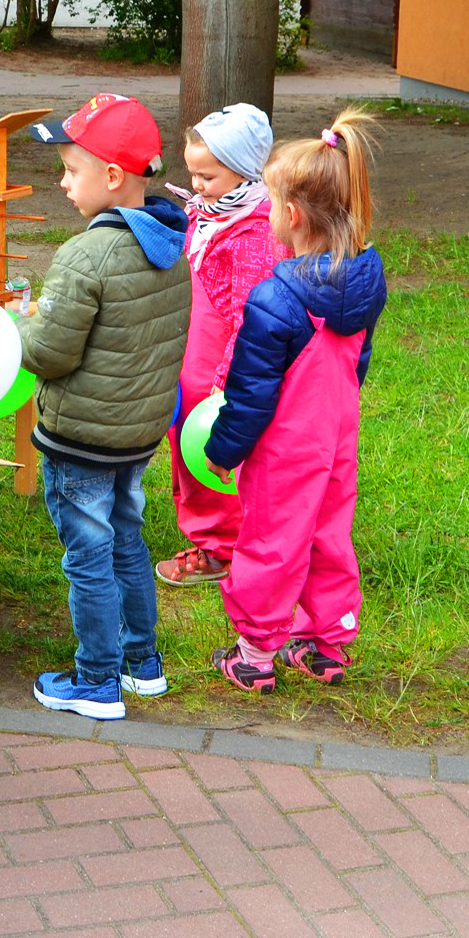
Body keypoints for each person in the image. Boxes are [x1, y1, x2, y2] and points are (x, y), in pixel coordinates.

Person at [12, 94, 190, 720]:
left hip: (83, 437)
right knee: (127, 542)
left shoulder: (86, 255)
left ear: (112, 177)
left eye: (70, 170)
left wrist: (18, 325)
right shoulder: (172, 241)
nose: (62, 183)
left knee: (87, 554)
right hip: (136, 433)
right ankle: (144, 665)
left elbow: (51, 355)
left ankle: (95, 682)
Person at [203, 108, 387, 694]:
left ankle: (256, 652)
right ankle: (326, 644)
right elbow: (356, 362)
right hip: (338, 437)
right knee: (331, 534)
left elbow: (250, 394)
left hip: (284, 450)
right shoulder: (366, 276)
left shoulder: (275, 298)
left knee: (271, 540)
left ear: (290, 215)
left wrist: (224, 450)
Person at [158, 103, 290, 589]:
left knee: (212, 452)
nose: (196, 186)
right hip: (189, 360)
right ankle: (206, 531)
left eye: (207, 177)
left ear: (244, 171)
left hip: (217, 372)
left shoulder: (254, 231)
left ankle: (220, 547)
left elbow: (249, 315)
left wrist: (224, 383)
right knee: (185, 448)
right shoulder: (213, 212)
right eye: (193, 174)